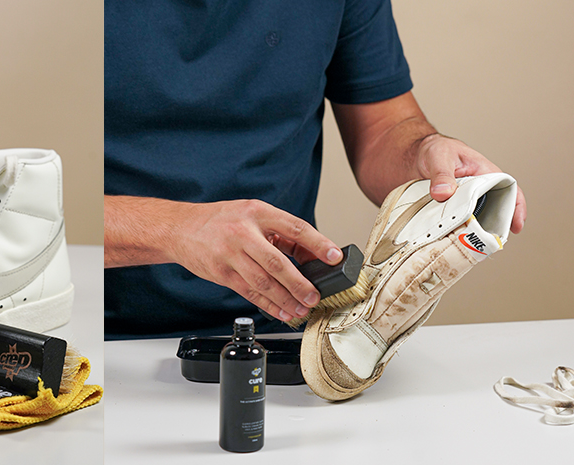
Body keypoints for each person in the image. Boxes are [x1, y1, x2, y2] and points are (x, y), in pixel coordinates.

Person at [104, 0, 526, 340]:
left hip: (283, 328)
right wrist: (173, 230)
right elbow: (39, 207)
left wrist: (425, 152)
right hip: (95, 335)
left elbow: (383, 130)